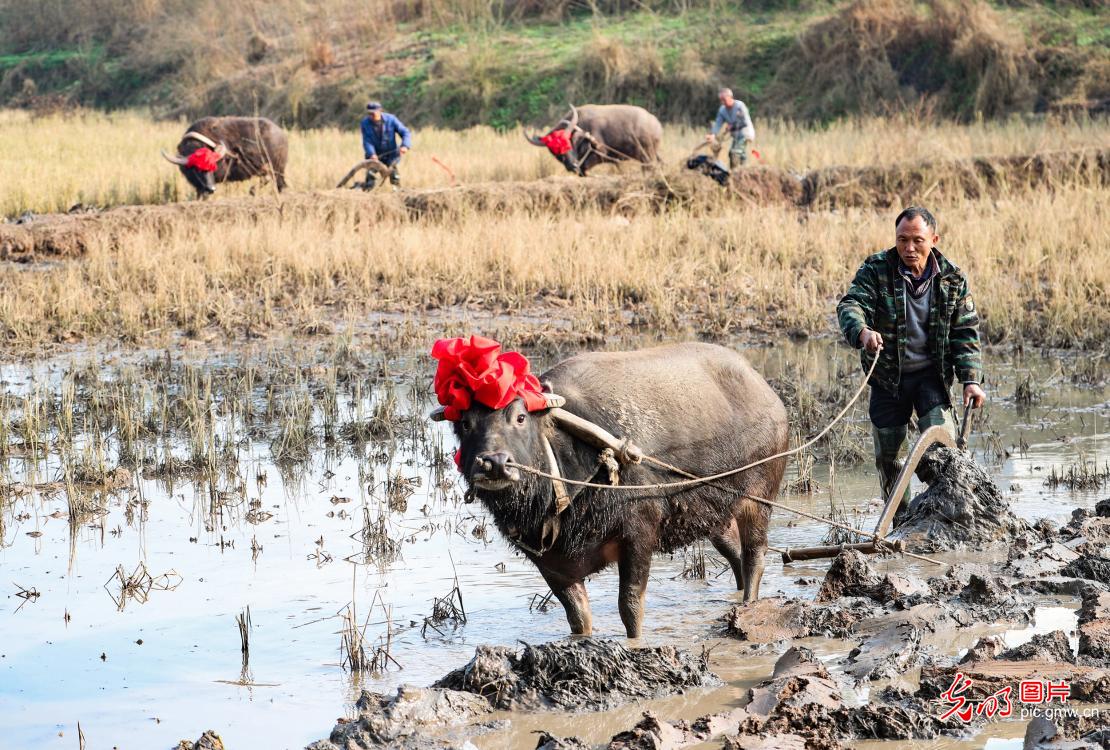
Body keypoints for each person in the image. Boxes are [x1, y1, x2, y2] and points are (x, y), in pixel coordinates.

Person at [837, 206, 986, 516]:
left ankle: (948, 516)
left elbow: (965, 332)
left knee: (942, 451)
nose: (909, 248)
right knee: (890, 460)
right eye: (902, 240)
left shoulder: (952, 279)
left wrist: (971, 380)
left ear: (933, 239)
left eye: (917, 240)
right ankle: (899, 522)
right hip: (888, 377)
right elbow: (851, 305)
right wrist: (863, 332)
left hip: (931, 376)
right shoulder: (877, 269)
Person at [360, 101, 412, 189]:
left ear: (380, 111)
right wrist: (372, 154)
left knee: (394, 175)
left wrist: (405, 146)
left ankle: (397, 192)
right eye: (369, 114)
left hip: (391, 154)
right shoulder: (365, 123)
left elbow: (405, 132)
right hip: (375, 156)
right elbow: (367, 141)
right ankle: (368, 193)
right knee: (370, 176)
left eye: (373, 113)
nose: (371, 116)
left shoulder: (391, 119)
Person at [706, 88, 755, 170]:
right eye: (721, 100)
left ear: (730, 97)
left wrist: (732, 126)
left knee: (734, 153)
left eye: (724, 100)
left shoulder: (740, 106)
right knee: (740, 154)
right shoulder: (722, 110)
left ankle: (734, 173)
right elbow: (718, 123)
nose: (723, 103)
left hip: (745, 133)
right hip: (736, 136)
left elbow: (744, 122)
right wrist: (712, 134)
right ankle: (745, 171)